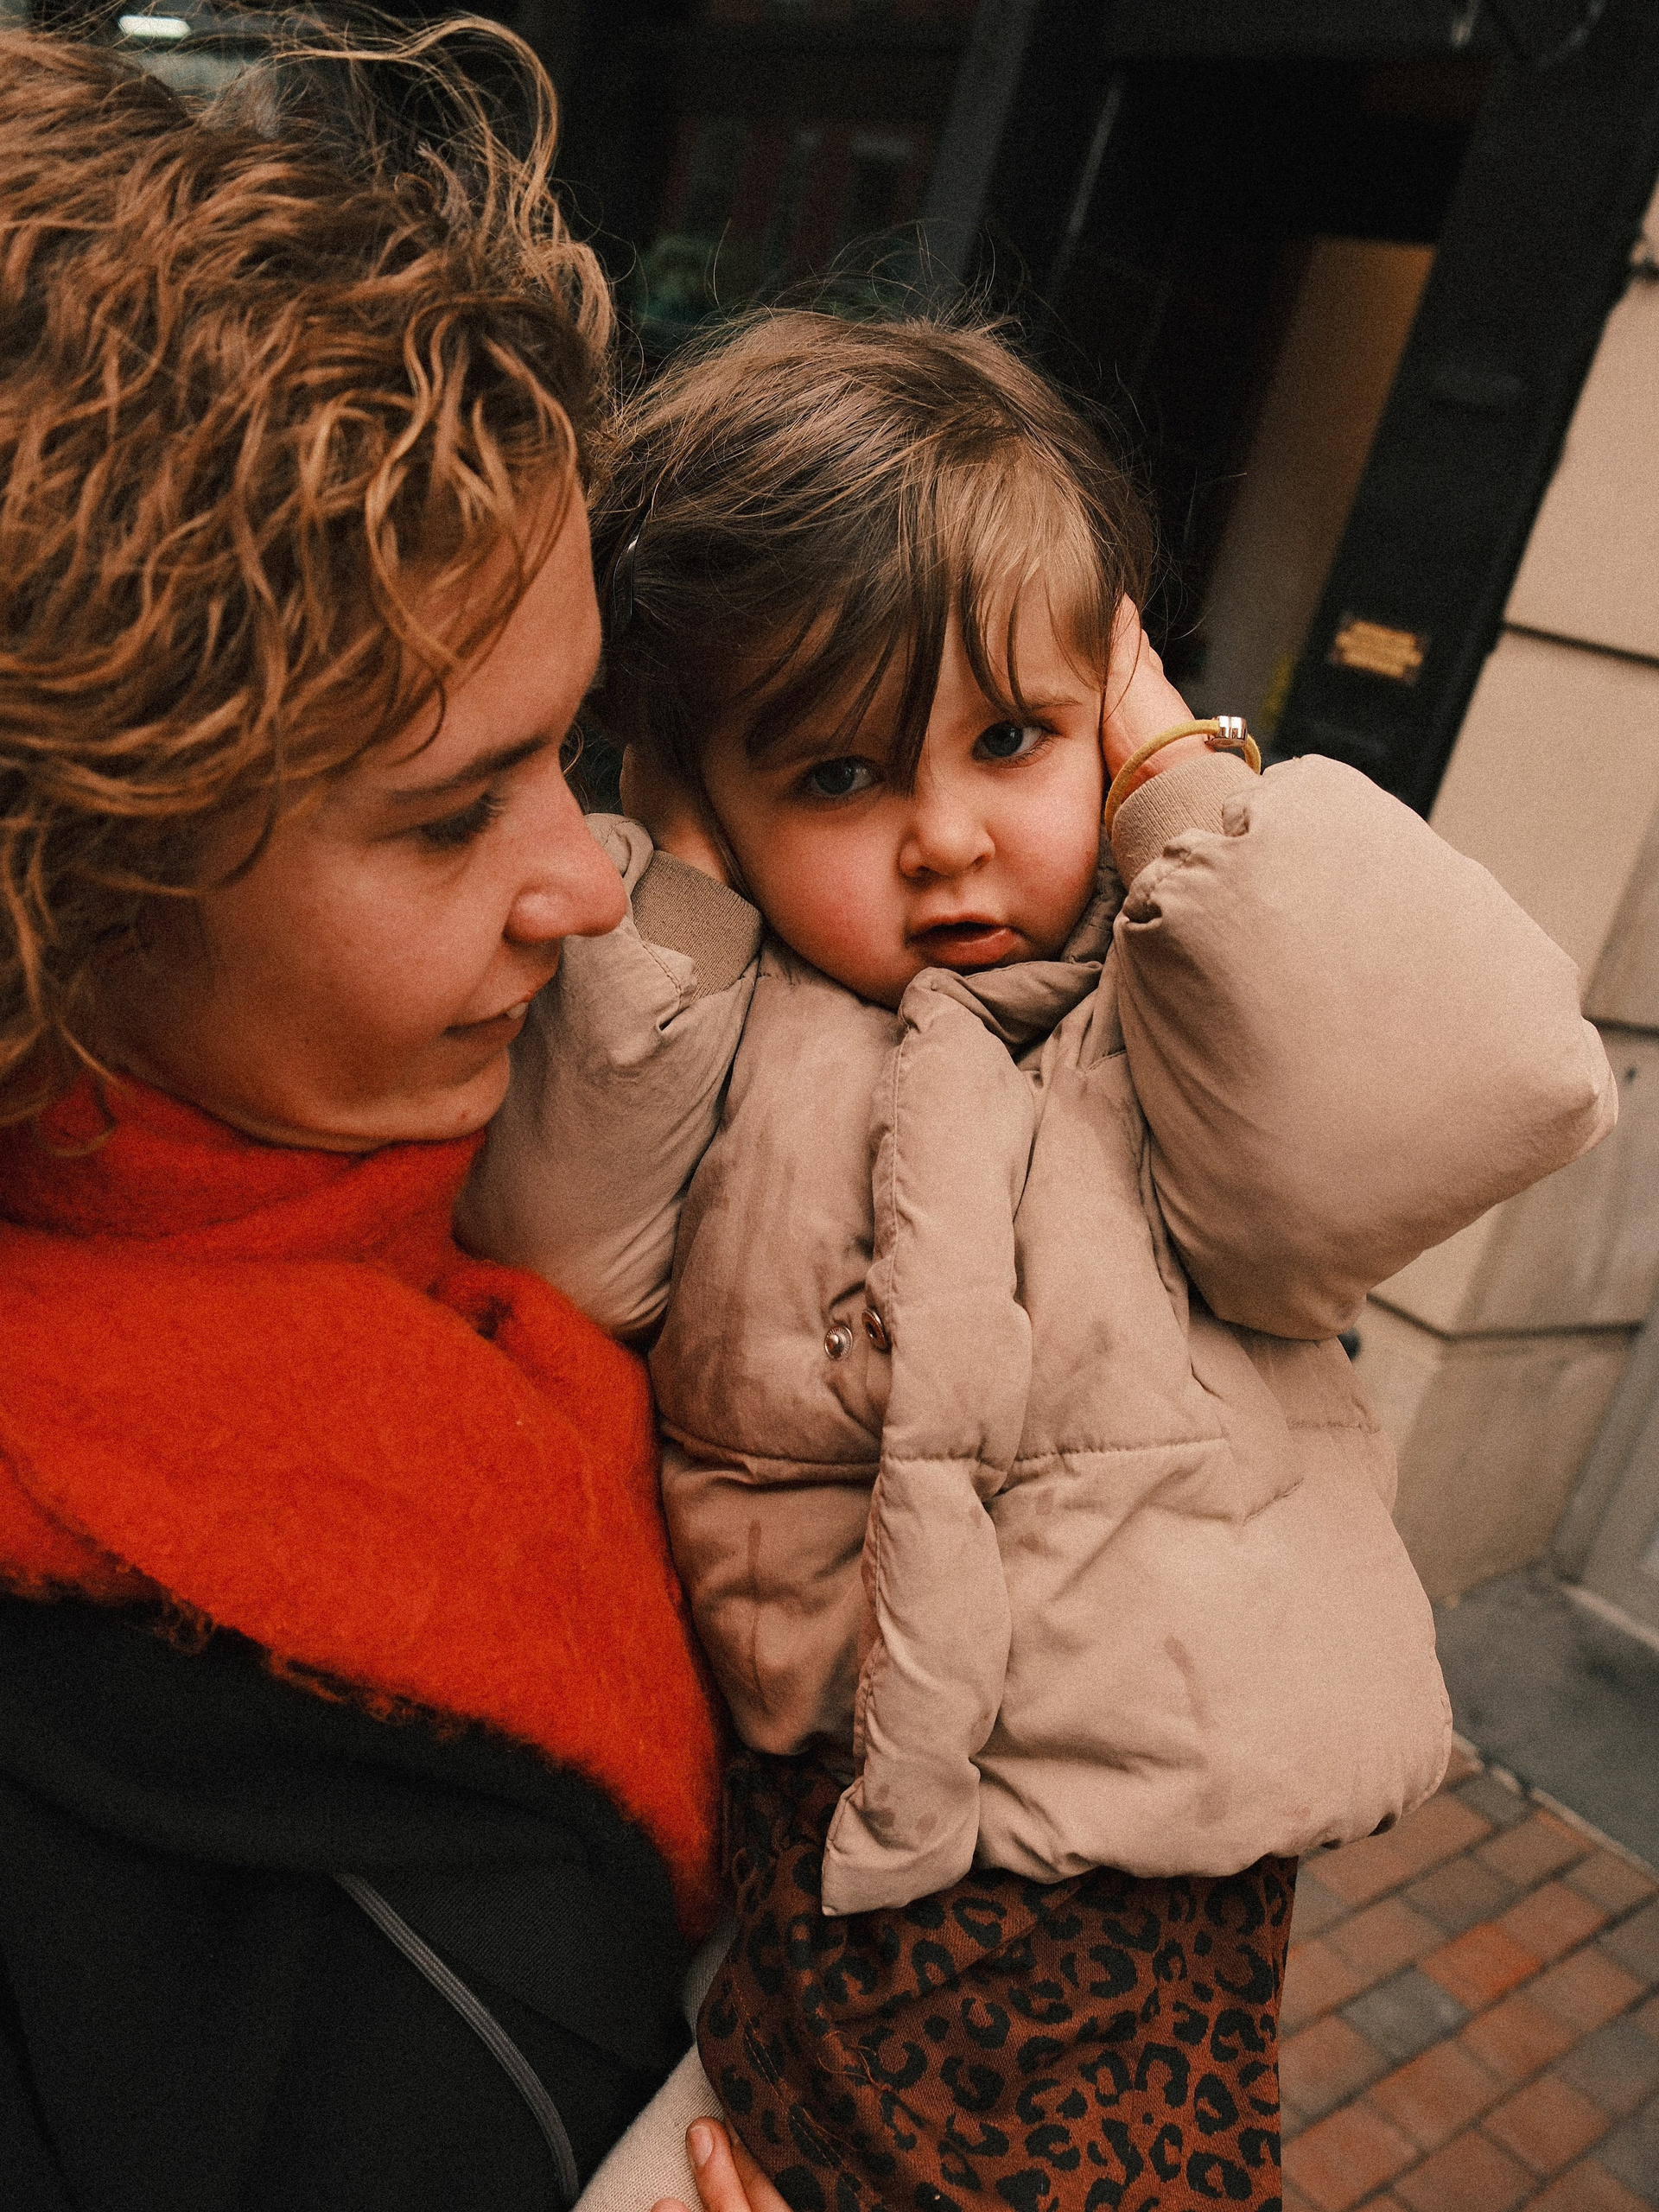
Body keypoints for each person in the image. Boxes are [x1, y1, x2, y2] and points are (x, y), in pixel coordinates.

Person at [459, 311, 1618, 2212]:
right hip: (820, 1867)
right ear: (714, 797)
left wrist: (1178, 779)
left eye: (1012, 737)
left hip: (1140, 1888)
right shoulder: (723, 1024)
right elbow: (558, 1246)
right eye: (835, 776)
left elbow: (1483, 1082)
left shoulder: (1174, 1006)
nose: (945, 841)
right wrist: (674, 894)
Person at [0, 22, 766, 2211]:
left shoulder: (559, 1167)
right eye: (446, 816)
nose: (590, 879)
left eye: (572, 751)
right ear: (66, 880)